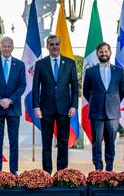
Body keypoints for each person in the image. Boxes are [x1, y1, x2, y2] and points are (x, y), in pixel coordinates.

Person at [32, 34, 78, 174]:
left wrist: (74, 105)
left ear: (60, 45)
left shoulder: (70, 63)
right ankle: (47, 172)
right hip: (46, 109)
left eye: (56, 44)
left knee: (63, 142)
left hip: (64, 109)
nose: (54, 47)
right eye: (51, 44)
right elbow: (35, 87)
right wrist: (36, 107)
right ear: (47, 46)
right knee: (46, 142)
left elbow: (75, 87)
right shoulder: (41, 64)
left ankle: (62, 172)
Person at [0, 36, 26, 175]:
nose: (6, 49)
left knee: (14, 141)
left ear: (12, 47)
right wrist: (0, 100)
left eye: (9, 46)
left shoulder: (20, 65)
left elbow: (22, 85)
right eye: (4, 46)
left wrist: (10, 100)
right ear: (0, 47)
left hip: (13, 108)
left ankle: (14, 170)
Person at [83, 42, 124, 171]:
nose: (104, 54)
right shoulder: (90, 72)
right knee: (96, 143)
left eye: (106, 51)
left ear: (110, 53)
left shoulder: (119, 72)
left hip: (113, 113)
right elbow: (86, 91)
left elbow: (122, 91)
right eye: (101, 52)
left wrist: (112, 102)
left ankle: (109, 169)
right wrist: (97, 102)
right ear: (97, 54)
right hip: (96, 112)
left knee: (110, 143)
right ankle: (98, 169)